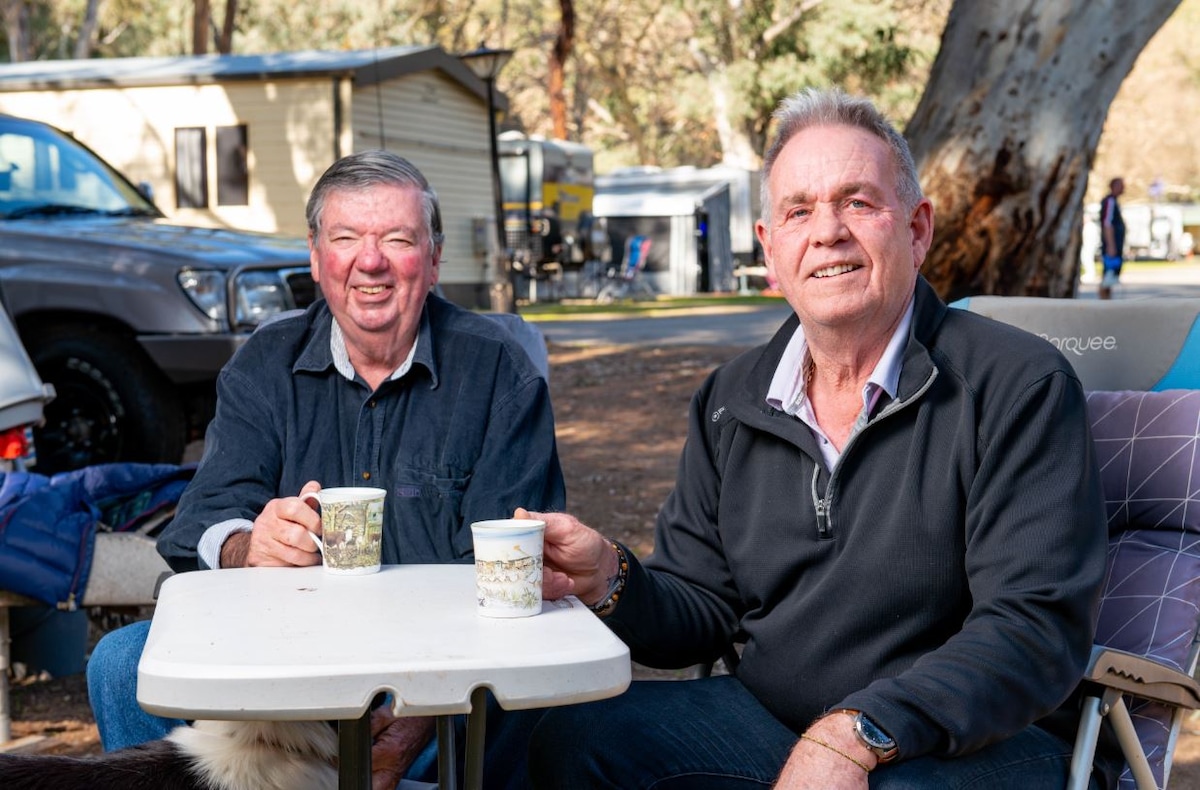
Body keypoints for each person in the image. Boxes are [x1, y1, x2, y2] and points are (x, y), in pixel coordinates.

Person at [523, 88, 1119, 789]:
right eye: (798, 211)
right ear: (772, 251)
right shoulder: (732, 399)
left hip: (968, 741)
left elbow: (1032, 630)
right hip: (771, 719)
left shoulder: (1018, 384)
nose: (827, 231)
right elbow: (702, 607)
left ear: (918, 229)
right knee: (568, 737)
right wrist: (610, 578)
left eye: (858, 202)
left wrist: (859, 732)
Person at [84, 149, 565, 787]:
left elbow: (512, 566)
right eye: (346, 239)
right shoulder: (266, 362)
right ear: (316, 257)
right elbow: (198, 520)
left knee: (541, 706)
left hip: (446, 684)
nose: (371, 261)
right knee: (120, 663)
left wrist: (426, 703)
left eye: (397, 239)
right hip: (283, 677)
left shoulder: (499, 370)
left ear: (434, 258)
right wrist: (247, 545)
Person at [1099, 177, 1126, 299]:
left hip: (1116, 245)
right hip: (1111, 245)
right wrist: (1111, 244)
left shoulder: (1115, 202)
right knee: (1107, 277)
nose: (1123, 188)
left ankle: (1107, 300)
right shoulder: (1109, 201)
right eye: (1121, 185)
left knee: (1112, 277)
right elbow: (1107, 223)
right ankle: (1104, 302)